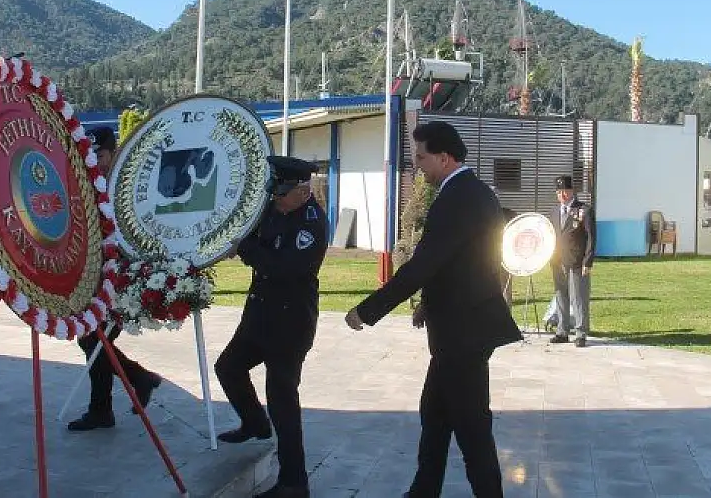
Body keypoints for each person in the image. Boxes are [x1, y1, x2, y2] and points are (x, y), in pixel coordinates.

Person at [345, 121, 522, 498]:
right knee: (435, 415)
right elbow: (460, 262)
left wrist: (368, 310)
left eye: (421, 158)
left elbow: (425, 263)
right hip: (458, 326)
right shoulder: (470, 192)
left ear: (444, 157)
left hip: (463, 332)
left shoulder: (458, 197)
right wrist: (429, 302)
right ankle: (422, 491)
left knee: (471, 427)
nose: (417, 166)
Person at [214, 156, 328, 498]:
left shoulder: (312, 223)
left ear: (303, 191)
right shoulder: (272, 209)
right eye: (273, 190)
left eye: (281, 192)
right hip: (259, 315)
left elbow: (283, 267)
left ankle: (294, 482)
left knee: (282, 400)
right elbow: (251, 239)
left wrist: (246, 248)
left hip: (290, 322)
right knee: (228, 367)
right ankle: (254, 423)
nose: (275, 198)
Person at [67, 126, 163, 432]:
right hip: (97, 276)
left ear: (114, 152)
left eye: (102, 154)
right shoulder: (91, 184)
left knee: (95, 341)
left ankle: (114, 399)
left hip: (121, 276)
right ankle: (116, 397)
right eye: (93, 155)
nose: (97, 160)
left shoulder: (125, 187)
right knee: (94, 342)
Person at [548, 175, 596, 348]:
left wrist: (588, 261)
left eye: (565, 191)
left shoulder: (584, 210)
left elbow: (591, 237)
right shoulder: (554, 212)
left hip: (577, 261)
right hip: (557, 261)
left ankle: (581, 333)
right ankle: (562, 331)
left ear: (572, 191)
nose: (562, 195)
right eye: (559, 191)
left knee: (578, 298)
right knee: (561, 296)